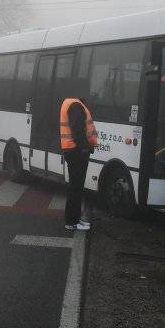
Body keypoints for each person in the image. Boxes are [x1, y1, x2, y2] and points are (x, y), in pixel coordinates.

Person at [60, 97, 98, 231]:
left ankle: (74, 220)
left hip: (72, 150)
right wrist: (85, 148)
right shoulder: (76, 107)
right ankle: (72, 222)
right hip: (77, 152)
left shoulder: (71, 104)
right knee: (76, 187)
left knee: (75, 187)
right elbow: (78, 130)